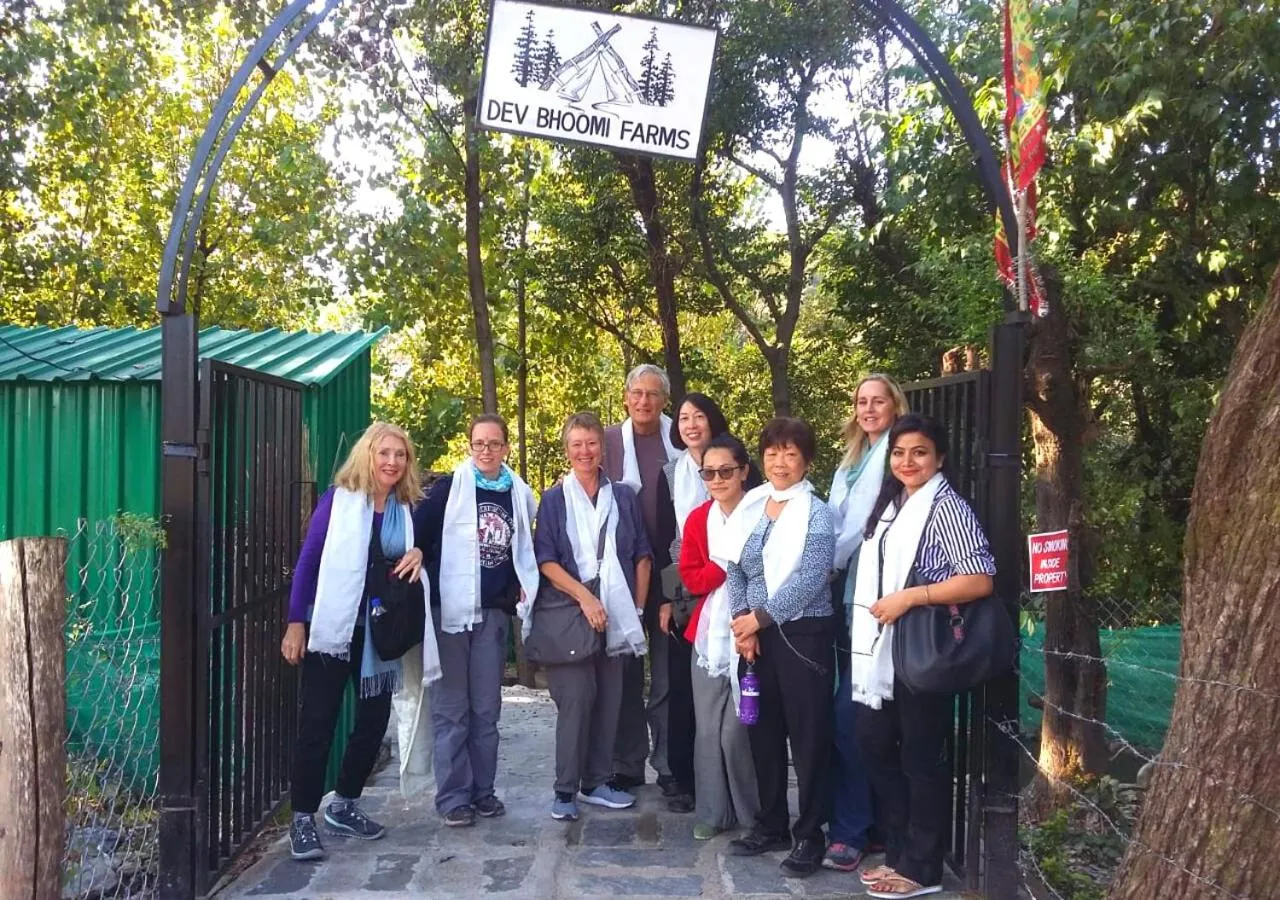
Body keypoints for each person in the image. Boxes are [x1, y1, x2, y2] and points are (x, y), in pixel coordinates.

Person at [849, 414, 995, 899]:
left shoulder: (946, 507)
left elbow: (979, 578)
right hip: (880, 652)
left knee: (920, 758)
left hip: (920, 648)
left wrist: (911, 597)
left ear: (939, 458)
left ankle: (923, 867)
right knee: (874, 746)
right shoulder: (893, 502)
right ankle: (900, 852)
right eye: (899, 452)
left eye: (920, 452)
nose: (908, 462)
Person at [281, 422, 428, 862]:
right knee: (318, 727)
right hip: (333, 630)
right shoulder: (338, 501)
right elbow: (308, 562)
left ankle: (345, 804)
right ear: (368, 455)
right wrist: (295, 622)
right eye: (384, 453)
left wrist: (419, 553)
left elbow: (413, 560)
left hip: (379, 635)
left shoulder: (406, 509)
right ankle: (303, 817)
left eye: (400, 456)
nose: (392, 462)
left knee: (371, 726)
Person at [414, 414, 541, 827]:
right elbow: (418, 538)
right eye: (479, 443)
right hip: (449, 612)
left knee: (486, 709)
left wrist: (522, 584)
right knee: (452, 709)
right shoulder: (448, 491)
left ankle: (483, 791)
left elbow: (523, 549)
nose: (486, 450)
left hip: (492, 614)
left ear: (505, 447)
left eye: (494, 443)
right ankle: (453, 797)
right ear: (469, 447)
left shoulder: (519, 495)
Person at [724, 417, 837, 879]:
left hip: (802, 637)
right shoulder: (751, 505)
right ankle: (770, 822)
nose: (780, 461)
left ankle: (811, 834)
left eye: (791, 453)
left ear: (806, 461)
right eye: (772, 452)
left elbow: (810, 579)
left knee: (808, 738)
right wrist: (743, 626)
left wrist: (760, 618)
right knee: (762, 732)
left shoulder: (817, 512)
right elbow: (735, 568)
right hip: (755, 640)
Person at [533, 412, 653, 822]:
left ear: (603, 448)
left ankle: (597, 782)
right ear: (567, 450)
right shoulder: (553, 500)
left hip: (618, 611)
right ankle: (565, 789)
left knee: (611, 699)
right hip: (570, 608)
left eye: (591, 443)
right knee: (578, 700)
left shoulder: (623, 496)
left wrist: (635, 608)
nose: (585, 451)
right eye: (576, 444)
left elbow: (641, 554)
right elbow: (545, 559)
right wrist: (585, 597)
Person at [824, 374, 909, 873]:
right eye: (861, 401)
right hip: (845, 597)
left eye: (878, 401)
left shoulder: (895, 457)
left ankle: (852, 828)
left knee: (851, 717)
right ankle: (868, 824)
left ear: (895, 405)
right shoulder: (854, 458)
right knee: (856, 717)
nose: (869, 408)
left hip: (874, 599)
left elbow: (857, 528)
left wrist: (826, 562)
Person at [678, 433, 762, 841]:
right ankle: (712, 813)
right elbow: (692, 578)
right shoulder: (698, 519)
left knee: (738, 730)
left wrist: (726, 564)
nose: (717, 478)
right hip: (709, 635)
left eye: (726, 470)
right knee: (708, 730)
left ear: (744, 470)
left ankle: (753, 813)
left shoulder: (764, 511)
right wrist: (727, 566)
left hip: (755, 631)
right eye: (708, 472)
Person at [604, 364, 680, 795]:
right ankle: (626, 762)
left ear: (665, 400)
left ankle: (668, 763)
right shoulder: (610, 442)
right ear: (626, 396)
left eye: (653, 394)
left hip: (671, 574)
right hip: (624, 574)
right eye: (637, 392)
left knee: (667, 672)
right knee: (625, 671)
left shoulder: (680, 439)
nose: (644, 401)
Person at [653, 392, 731, 813]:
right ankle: (684, 778)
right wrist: (667, 599)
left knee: (727, 686)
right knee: (683, 686)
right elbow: (666, 535)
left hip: (729, 583)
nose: (691, 424)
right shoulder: (672, 472)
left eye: (699, 416)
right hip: (684, 589)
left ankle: (728, 779)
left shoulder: (733, 461)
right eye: (683, 418)